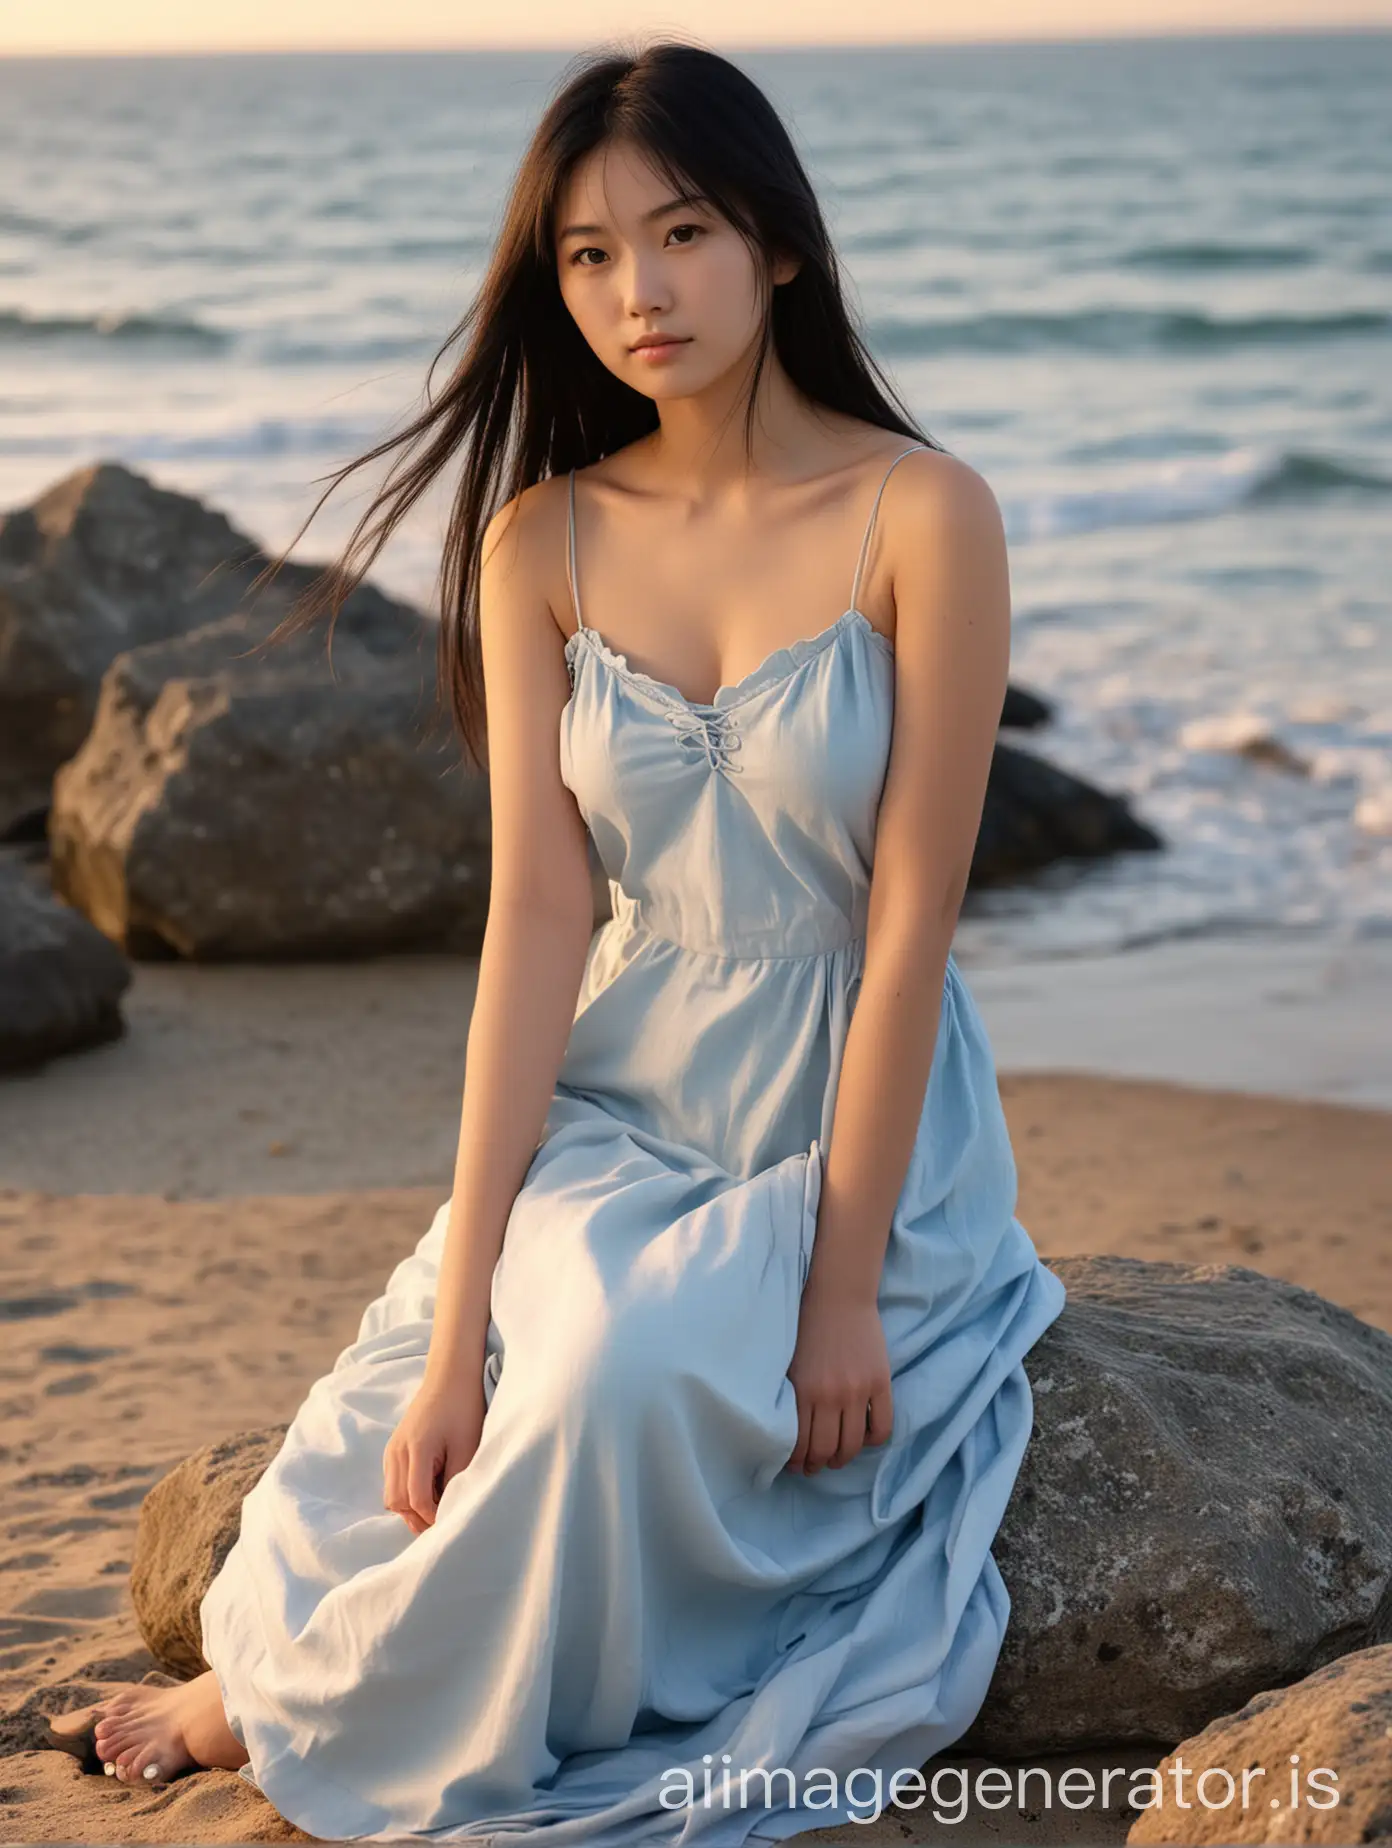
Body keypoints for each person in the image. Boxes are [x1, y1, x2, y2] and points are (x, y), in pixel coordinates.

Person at [43, 39, 1067, 1846]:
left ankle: (272, 1708)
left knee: (618, 1378)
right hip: (624, 1091)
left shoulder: (926, 513)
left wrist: (843, 1287)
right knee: (499, 1388)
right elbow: (536, 915)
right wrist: (454, 1317)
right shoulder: (542, 541)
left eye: (679, 236)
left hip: (844, 1110)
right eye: (588, 257)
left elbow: (912, 921)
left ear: (781, 248)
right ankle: (285, 1689)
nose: (637, 293)